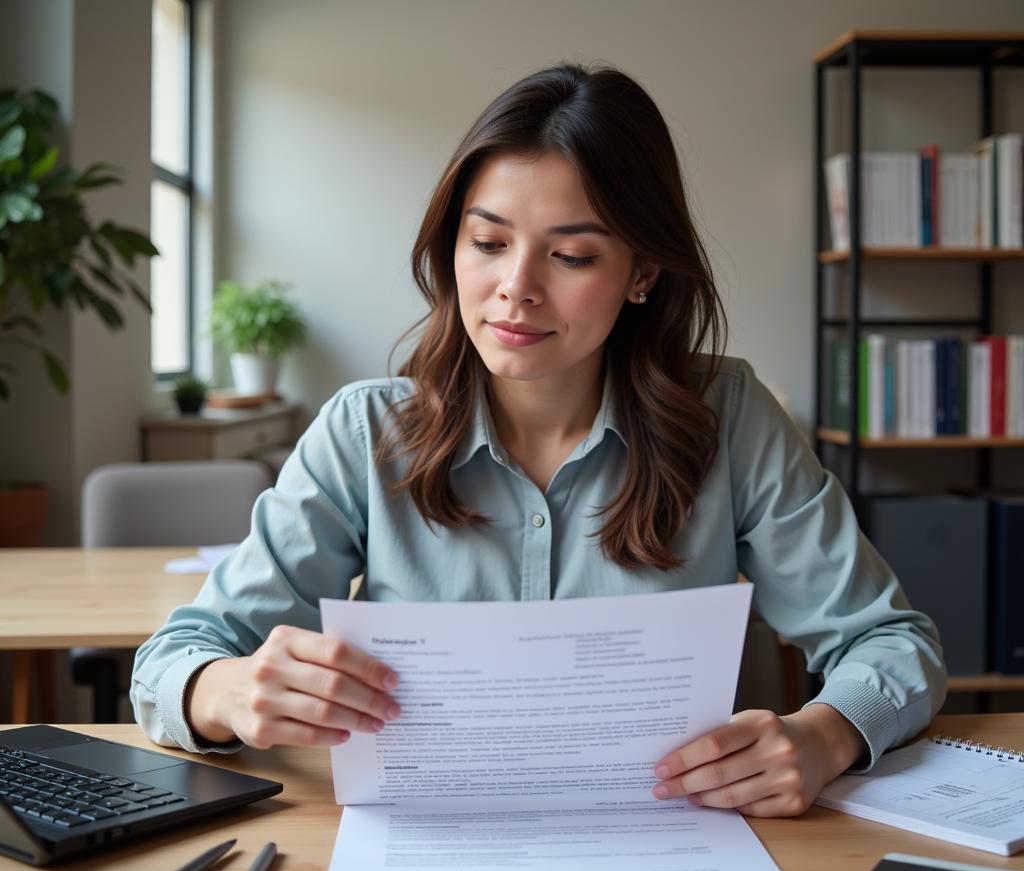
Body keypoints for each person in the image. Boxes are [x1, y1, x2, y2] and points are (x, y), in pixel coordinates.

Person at [132, 63, 945, 818]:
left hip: (663, 850)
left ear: (642, 274)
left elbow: (892, 640)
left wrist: (826, 734)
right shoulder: (364, 431)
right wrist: (227, 690)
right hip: (422, 850)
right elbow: (173, 660)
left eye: (571, 255)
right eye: (487, 243)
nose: (516, 288)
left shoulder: (729, 417)